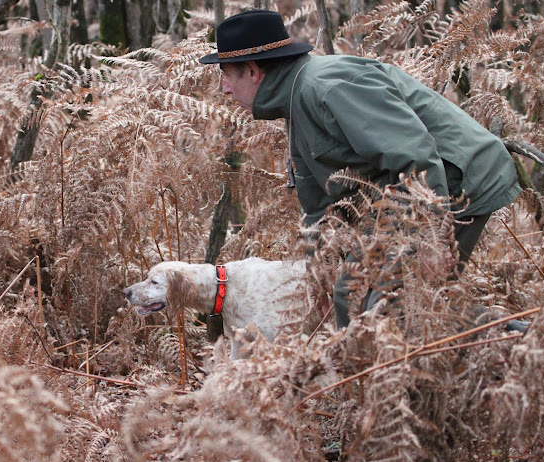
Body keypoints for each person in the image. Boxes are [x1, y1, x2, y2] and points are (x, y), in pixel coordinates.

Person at [199, 9, 522, 329]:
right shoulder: (298, 101)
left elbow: (415, 158)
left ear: (253, 70)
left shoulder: (328, 88)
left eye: (226, 75)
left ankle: (514, 344)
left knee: (392, 307)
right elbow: (320, 207)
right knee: (352, 294)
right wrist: (320, 274)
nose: (224, 89)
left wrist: (432, 240)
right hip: (404, 194)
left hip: (454, 183)